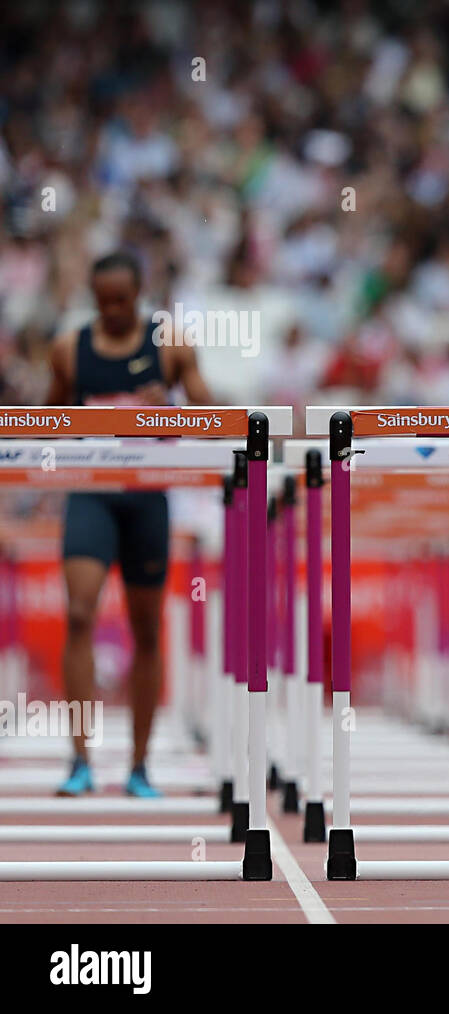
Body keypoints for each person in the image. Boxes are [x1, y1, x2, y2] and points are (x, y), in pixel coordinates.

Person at [45, 250, 214, 797]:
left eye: (122, 300)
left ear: (140, 293)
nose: (113, 310)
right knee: (77, 614)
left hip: (147, 497)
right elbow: (44, 427)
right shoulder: (69, 350)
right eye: (103, 301)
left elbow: (216, 425)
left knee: (146, 630)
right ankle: (80, 760)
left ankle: (139, 766)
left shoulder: (171, 347)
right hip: (91, 493)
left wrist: (169, 408)